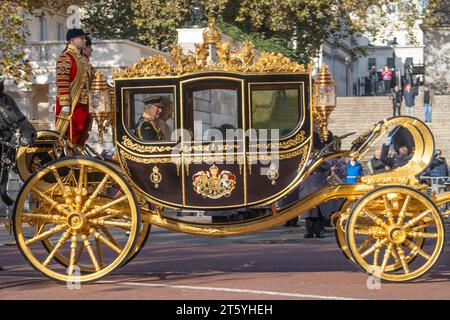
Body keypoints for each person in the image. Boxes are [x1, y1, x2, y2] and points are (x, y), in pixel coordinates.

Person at [55, 28, 92, 147]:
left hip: (83, 102)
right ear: (72, 40)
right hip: (72, 103)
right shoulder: (66, 57)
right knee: (71, 133)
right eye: (81, 38)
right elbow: (62, 82)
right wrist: (65, 103)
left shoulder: (83, 59)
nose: (84, 40)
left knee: (82, 132)